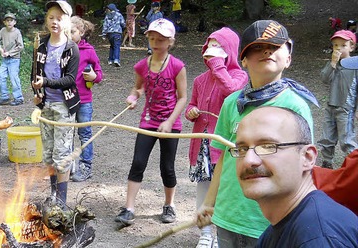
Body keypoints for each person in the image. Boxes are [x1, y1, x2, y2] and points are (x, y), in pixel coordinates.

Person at [195, 20, 319, 247]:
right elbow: (224, 156)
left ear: (289, 59)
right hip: (228, 214)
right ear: (243, 59)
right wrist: (209, 201)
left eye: (275, 46)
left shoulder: (295, 106)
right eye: (256, 47)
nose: (266, 50)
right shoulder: (232, 103)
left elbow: (302, 167)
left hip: (270, 219)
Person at [233, 106, 358, 247]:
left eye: (267, 146)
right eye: (242, 149)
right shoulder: (283, 225)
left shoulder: (318, 237)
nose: (249, 160)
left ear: (307, 157)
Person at [115, 18, 187, 226]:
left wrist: (170, 121)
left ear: (170, 42)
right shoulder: (142, 65)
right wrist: (133, 97)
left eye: (161, 39)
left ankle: (169, 205)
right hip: (148, 121)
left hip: (170, 125)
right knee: (138, 162)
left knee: (168, 167)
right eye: (152, 38)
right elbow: (138, 88)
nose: (156, 43)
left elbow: (182, 97)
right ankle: (129, 208)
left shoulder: (177, 66)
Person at [184, 27, 248, 248]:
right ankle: (205, 234)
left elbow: (231, 90)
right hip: (202, 144)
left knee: (223, 190)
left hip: (223, 147)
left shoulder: (239, 75)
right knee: (204, 188)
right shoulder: (200, 80)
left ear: (229, 50)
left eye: (218, 46)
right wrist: (191, 111)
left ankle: (221, 236)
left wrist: (219, 65)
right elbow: (192, 104)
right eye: (209, 45)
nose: (211, 50)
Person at [32, 0, 80, 206]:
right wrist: (36, 91)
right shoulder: (41, 46)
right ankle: (53, 194)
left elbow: (70, 79)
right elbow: (34, 73)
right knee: (49, 154)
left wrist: (47, 82)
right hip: (46, 106)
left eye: (59, 19)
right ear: (46, 20)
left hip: (64, 106)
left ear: (66, 22)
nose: (54, 22)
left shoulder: (71, 49)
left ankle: (62, 200)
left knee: (62, 155)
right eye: (51, 17)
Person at [317, 30, 357, 169]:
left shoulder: (355, 65)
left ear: (351, 47)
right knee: (327, 137)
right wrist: (332, 64)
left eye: (343, 45)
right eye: (335, 45)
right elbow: (324, 79)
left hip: (346, 108)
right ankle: (327, 162)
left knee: (346, 139)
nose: (338, 48)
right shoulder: (334, 64)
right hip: (331, 105)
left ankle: (353, 165)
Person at [70, 16, 103, 182]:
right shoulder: (62, 49)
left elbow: (99, 75)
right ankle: (67, 165)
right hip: (65, 100)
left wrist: (93, 76)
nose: (69, 35)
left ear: (81, 32)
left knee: (85, 133)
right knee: (66, 133)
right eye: (66, 32)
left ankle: (85, 166)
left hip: (84, 101)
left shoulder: (89, 50)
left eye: (73, 31)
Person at [0, 12, 25, 106]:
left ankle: (19, 98)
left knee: (14, 78)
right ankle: (4, 97)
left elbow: (20, 46)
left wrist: (9, 53)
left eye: (11, 20)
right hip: (5, 60)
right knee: (0, 76)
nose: (9, 22)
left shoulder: (17, 32)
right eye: (7, 20)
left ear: (14, 22)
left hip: (14, 59)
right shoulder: (3, 30)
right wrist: (0, 49)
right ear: (4, 22)